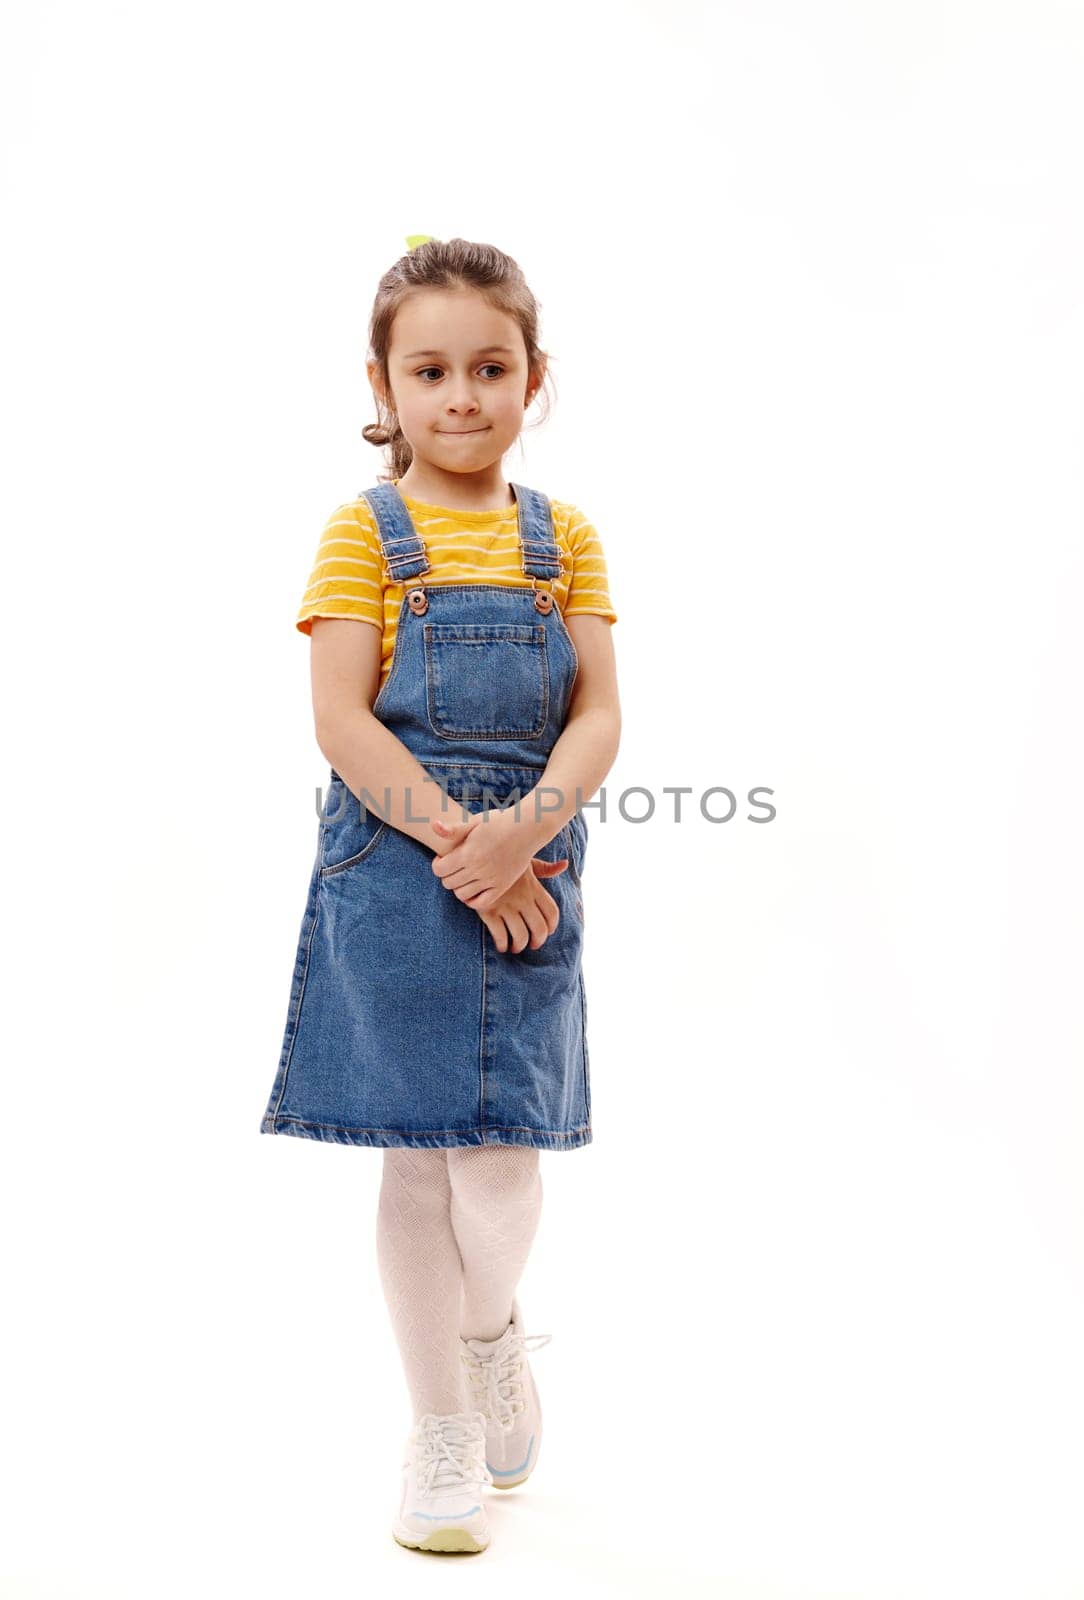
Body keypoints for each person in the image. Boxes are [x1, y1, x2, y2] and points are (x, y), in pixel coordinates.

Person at [259, 236, 622, 1555]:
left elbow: (599, 716)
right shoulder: (363, 530)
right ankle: (441, 1429)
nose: (462, 395)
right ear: (384, 384)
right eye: (431, 369)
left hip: (530, 866)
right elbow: (341, 718)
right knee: (421, 1153)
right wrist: (460, 844)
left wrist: (523, 832)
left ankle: (490, 1332)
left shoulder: (563, 537)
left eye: (490, 366)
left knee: (505, 1156)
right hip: (399, 870)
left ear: (535, 380)